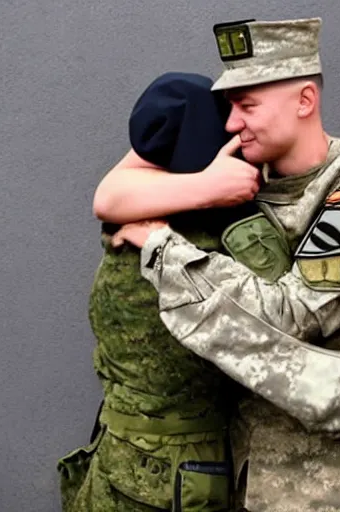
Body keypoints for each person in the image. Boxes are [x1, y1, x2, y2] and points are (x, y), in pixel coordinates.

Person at [111, 17, 340, 512]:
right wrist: (201, 187)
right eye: (228, 107)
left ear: (305, 101)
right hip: (254, 479)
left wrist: (161, 245)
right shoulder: (243, 181)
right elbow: (111, 196)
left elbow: (290, 315)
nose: (230, 123)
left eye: (248, 106)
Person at [58, 72, 260, 511]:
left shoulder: (128, 223)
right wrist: (216, 183)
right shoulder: (219, 244)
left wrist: (202, 178)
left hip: (132, 462)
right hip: (175, 472)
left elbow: (112, 192)